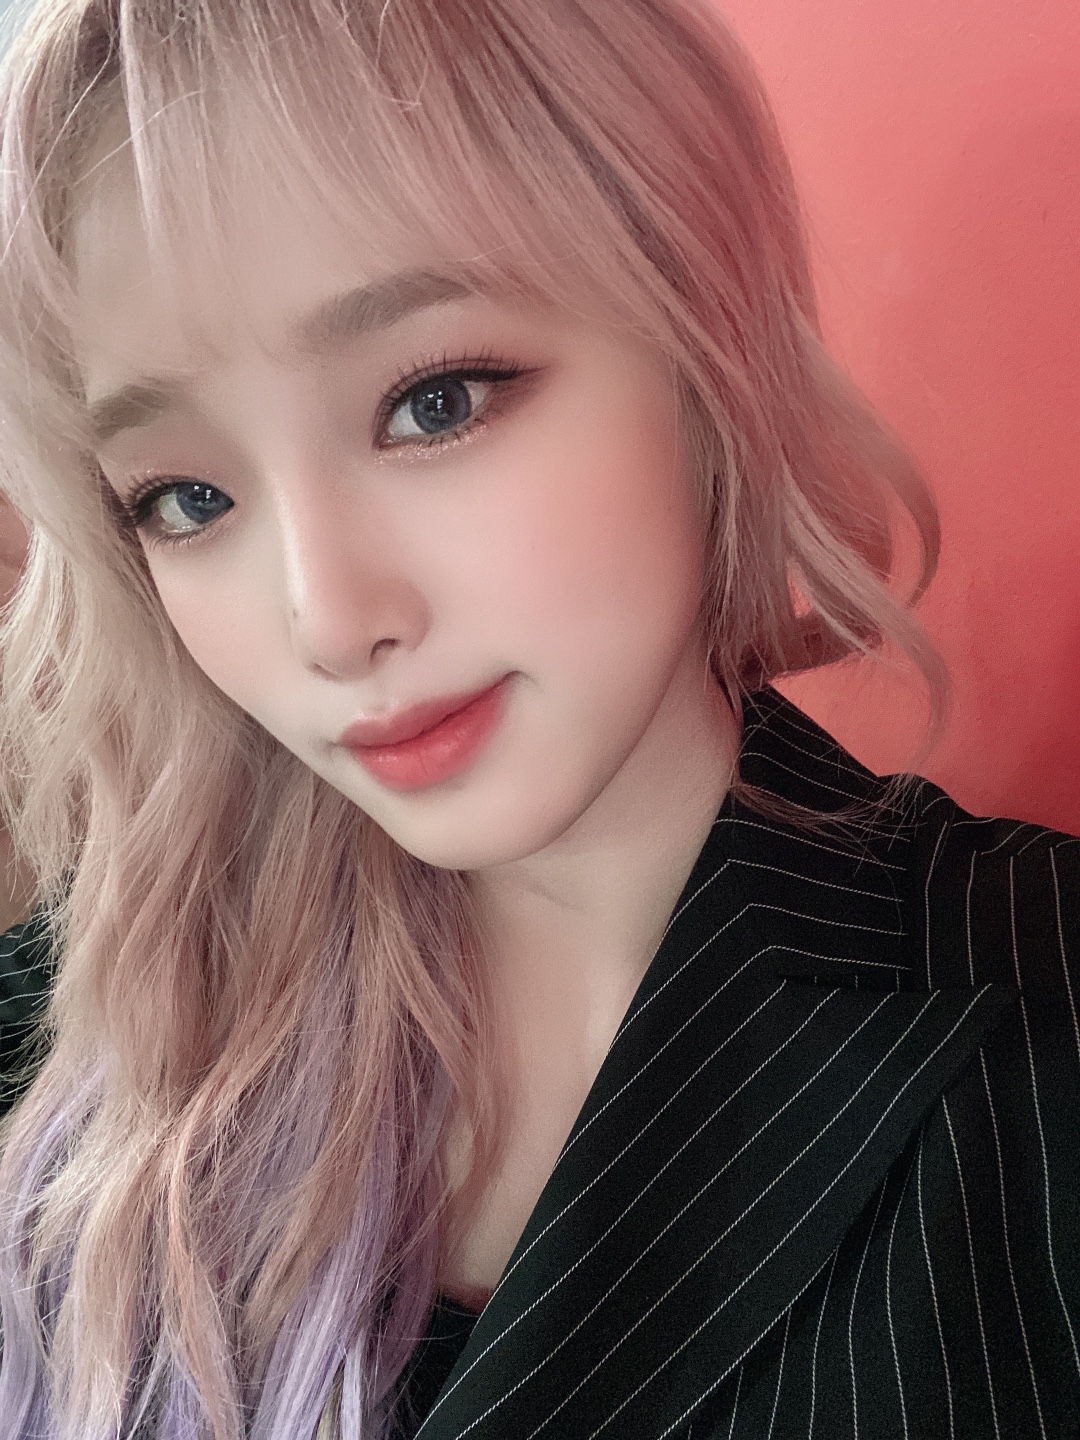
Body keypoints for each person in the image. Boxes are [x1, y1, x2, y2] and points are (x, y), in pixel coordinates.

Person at [0, 2, 1075, 1437]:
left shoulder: (1040, 1018)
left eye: (435, 402)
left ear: (702, 330)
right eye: (187, 498)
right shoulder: (80, 1039)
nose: (328, 621)